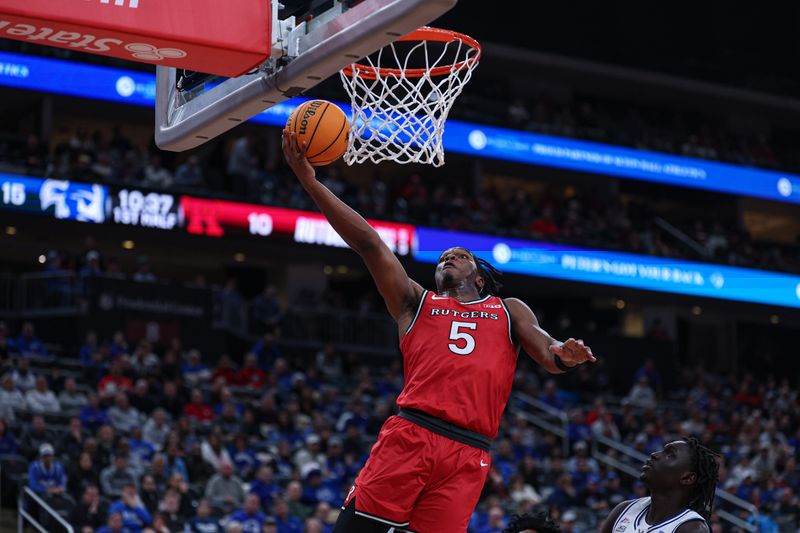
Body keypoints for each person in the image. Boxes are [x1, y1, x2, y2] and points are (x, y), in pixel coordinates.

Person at [282, 131, 596, 532]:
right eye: (444, 257)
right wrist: (311, 182)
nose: (449, 257)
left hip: (469, 453)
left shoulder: (507, 309)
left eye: (461, 256)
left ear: (480, 279)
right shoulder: (416, 302)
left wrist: (562, 354)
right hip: (413, 433)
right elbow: (370, 244)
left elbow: (546, 350)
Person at [599, 438, 719, 533]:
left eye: (670, 455)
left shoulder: (692, 528)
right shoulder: (623, 510)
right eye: (662, 450)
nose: (654, 454)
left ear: (687, 478)